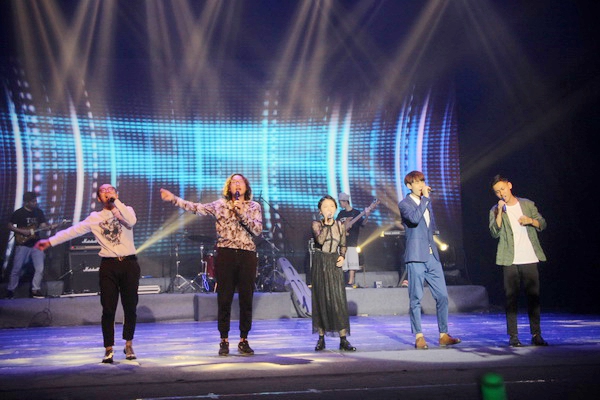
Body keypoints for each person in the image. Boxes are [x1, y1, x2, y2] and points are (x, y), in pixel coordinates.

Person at [35, 184, 141, 363]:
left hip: (129, 264)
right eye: (103, 191)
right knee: (108, 308)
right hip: (109, 265)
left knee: (130, 307)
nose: (107, 192)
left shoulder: (126, 210)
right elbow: (72, 231)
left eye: (111, 190)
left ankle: (128, 344)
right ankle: (108, 348)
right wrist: (50, 241)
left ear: (116, 194)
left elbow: (131, 222)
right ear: (99, 198)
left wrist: (116, 203)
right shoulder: (94, 218)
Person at [160, 173, 263, 356]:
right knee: (224, 298)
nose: (237, 185)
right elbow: (196, 208)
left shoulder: (254, 206)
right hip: (226, 253)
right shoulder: (220, 204)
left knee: (246, 298)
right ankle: (224, 340)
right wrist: (174, 199)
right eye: (233, 182)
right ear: (228, 188)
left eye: (240, 182)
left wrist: (241, 212)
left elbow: (257, 230)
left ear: (246, 187)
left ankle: (244, 339)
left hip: (247, 254)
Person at [398, 171, 461, 349]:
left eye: (422, 181)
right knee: (416, 297)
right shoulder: (404, 204)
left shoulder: (425, 204)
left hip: (432, 256)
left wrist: (425, 201)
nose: (421, 185)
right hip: (416, 256)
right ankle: (419, 336)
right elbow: (414, 219)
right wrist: (425, 199)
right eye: (417, 182)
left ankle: (443, 334)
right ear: (409, 186)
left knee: (442, 296)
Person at [489, 174, 548, 347]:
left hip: (529, 256)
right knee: (511, 298)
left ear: (509, 185)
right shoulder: (495, 209)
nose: (501, 193)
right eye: (497, 191)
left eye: (502, 189)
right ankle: (513, 336)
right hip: (510, 259)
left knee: (533, 297)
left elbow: (542, 223)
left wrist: (530, 220)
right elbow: (494, 232)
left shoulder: (527, 204)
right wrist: (499, 212)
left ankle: (536, 334)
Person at [311, 195, 356, 352]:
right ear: (320, 211)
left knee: (338, 300)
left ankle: (343, 339)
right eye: (325, 207)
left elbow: (343, 244)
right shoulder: (316, 224)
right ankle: (321, 338)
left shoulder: (340, 225)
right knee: (321, 299)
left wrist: (342, 256)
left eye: (331, 206)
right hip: (320, 262)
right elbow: (320, 240)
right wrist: (326, 223)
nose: (329, 209)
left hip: (334, 262)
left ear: (336, 209)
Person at [6, 192, 49, 299]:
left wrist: (48, 227)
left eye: (35, 201)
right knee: (17, 269)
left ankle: (35, 290)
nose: (35, 203)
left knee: (40, 268)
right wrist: (21, 231)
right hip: (22, 244)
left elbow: (43, 225)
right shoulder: (19, 213)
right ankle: (11, 290)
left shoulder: (39, 212)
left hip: (37, 243)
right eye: (33, 201)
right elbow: (10, 225)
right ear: (26, 202)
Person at [336, 192, 370, 288]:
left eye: (341, 202)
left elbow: (363, 224)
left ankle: (350, 282)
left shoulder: (356, 213)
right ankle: (343, 282)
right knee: (342, 263)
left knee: (352, 262)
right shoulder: (341, 213)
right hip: (342, 242)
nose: (340, 204)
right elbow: (337, 225)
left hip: (352, 241)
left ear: (345, 202)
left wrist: (367, 215)